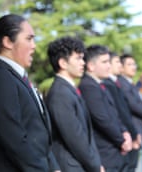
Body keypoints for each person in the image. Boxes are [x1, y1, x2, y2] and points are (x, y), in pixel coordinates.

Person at [0, 14, 60, 172]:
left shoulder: (17, 78)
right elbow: (15, 140)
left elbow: (39, 132)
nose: (34, 46)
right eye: (29, 39)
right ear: (7, 42)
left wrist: (53, 167)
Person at [45, 36, 104, 172]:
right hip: (71, 166)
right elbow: (75, 138)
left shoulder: (68, 89)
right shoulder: (60, 93)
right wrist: (95, 166)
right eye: (78, 58)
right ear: (63, 63)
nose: (83, 63)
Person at [78, 45, 131, 172]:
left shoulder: (101, 84)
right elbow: (101, 118)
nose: (109, 66)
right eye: (104, 62)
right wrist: (121, 140)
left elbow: (114, 113)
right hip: (105, 152)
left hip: (114, 149)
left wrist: (125, 131)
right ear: (90, 66)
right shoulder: (88, 86)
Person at [119, 54, 142, 172]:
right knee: (128, 166)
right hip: (130, 130)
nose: (133, 67)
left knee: (132, 165)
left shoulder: (130, 83)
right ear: (121, 67)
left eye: (134, 64)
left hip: (137, 128)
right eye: (129, 64)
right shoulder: (122, 84)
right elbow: (133, 105)